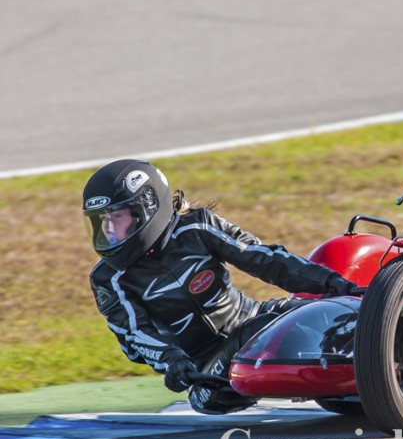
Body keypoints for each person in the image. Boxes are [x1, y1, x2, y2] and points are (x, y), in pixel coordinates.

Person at [83, 159, 359, 414]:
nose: (108, 231)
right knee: (214, 395)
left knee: (333, 311)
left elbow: (265, 259)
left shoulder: (198, 227)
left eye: (116, 217)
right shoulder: (108, 279)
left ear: (147, 207)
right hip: (205, 369)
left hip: (255, 317)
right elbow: (137, 335)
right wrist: (174, 363)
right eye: (101, 220)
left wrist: (332, 283)